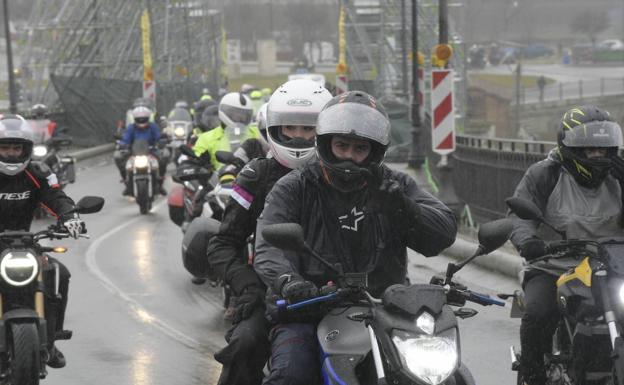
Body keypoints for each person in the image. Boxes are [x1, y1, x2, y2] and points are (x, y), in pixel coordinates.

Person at [253, 91, 457, 385]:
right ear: (326, 144)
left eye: (359, 148)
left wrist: (404, 209)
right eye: (342, 145)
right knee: (291, 374)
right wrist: (292, 284)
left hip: (388, 310)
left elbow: (443, 232)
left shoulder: (394, 185)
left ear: (374, 152)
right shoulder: (294, 186)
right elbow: (268, 247)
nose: (349, 155)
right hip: (310, 309)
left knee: (449, 375)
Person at [205, 79, 332, 385]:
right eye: (291, 128)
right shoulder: (255, 175)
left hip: (338, 291)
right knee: (245, 344)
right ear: (275, 128)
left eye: (308, 128)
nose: (299, 136)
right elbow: (223, 243)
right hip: (271, 295)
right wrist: (248, 286)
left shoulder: (344, 175)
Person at [509, 105, 624, 385]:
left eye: (604, 148)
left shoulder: (620, 174)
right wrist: (529, 242)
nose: (599, 155)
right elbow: (519, 216)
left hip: (613, 268)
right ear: (571, 147)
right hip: (555, 267)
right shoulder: (544, 174)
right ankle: (533, 375)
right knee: (537, 314)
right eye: (590, 149)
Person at [0, 114, 85, 368]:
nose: (12, 153)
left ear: (26, 149)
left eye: (17, 147)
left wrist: (70, 217)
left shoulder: (38, 172)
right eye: (5, 147)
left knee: (59, 273)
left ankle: (51, 338)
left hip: (25, 243)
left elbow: (56, 197)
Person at [193, 92, 261, 171]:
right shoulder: (206, 138)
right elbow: (196, 163)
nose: (240, 118)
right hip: (220, 181)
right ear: (224, 112)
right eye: (235, 114)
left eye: (244, 114)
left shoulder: (258, 133)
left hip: (255, 180)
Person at [116, 106, 167, 196]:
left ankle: (160, 183)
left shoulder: (152, 126)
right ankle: (127, 183)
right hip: (134, 151)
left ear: (148, 118)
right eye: (139, 119)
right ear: (135, 119)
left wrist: (162, 140)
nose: (141, 122)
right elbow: (126, 138)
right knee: (118, 157)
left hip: (151, 150)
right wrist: (122, 144)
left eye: (144, 119)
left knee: (165, 156)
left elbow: (158, 136)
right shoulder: (131, 128)